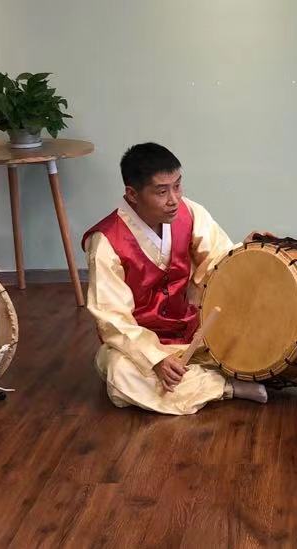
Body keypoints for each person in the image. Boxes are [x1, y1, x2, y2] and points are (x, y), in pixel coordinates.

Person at [82, 142, 269, 415]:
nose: (174, 199)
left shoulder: (189, 212)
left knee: (257, 327)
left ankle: (200, 380)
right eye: (162, 191)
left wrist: (249, 250)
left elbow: (219, 259)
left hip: (195, 333)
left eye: (178, 186)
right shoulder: (106, 241)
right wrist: (156, 359)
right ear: (132, 194)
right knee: (118, 371)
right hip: (142, 345)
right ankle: (226, 387)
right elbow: (112, 317)